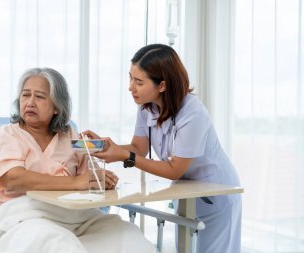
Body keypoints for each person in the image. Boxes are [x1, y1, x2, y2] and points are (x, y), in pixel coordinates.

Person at [83, 44, 242, 253]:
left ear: (162, 85)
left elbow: (174, 168)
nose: (130, 87)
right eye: (130, 78)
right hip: (187, 194)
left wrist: (125, 155)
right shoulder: (146, 107)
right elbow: (138, 147)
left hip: (217, 194)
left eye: (139, 82)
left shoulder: (193, 114)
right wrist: (106, 147)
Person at [0, 67, 156, 253]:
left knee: (127, 234)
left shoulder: (70, 135)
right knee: (56, 242)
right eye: (25, 95)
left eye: (40, 97)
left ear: (57, 106)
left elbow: (89, 176)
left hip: (73, 217)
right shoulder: (7, 135)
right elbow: (13, 178)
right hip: (24, 218)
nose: (30, 103)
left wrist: (101, 179)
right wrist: (75, 182)